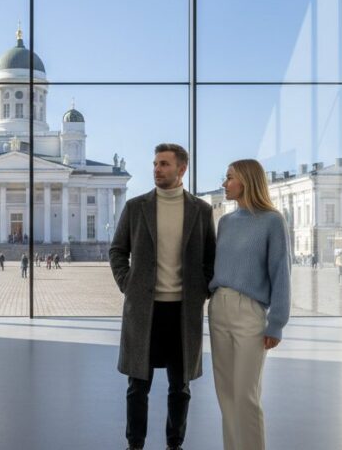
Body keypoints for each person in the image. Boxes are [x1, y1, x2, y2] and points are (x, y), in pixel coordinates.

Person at [110, 143, 216, 450]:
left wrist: (201, 290)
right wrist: (126, 282)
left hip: (183, 312)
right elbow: (118, 250)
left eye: (165, 164)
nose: (157, 169)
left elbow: (211, 257)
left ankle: (174, 443)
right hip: (144, 309)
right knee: (137, 385)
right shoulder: (136, 207)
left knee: (180, 387)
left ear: (182, 169)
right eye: (156, 163)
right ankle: (135, 444)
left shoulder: (201, 210)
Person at [207, 159, 291, 450]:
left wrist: (276, 323)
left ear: (246, 180)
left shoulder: (272, 221)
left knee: (246, 395)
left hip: (250, 312)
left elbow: (281, 272)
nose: (224, 183)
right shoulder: (226, 222)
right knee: (226, 394)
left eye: (229, 177)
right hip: (218, 308)